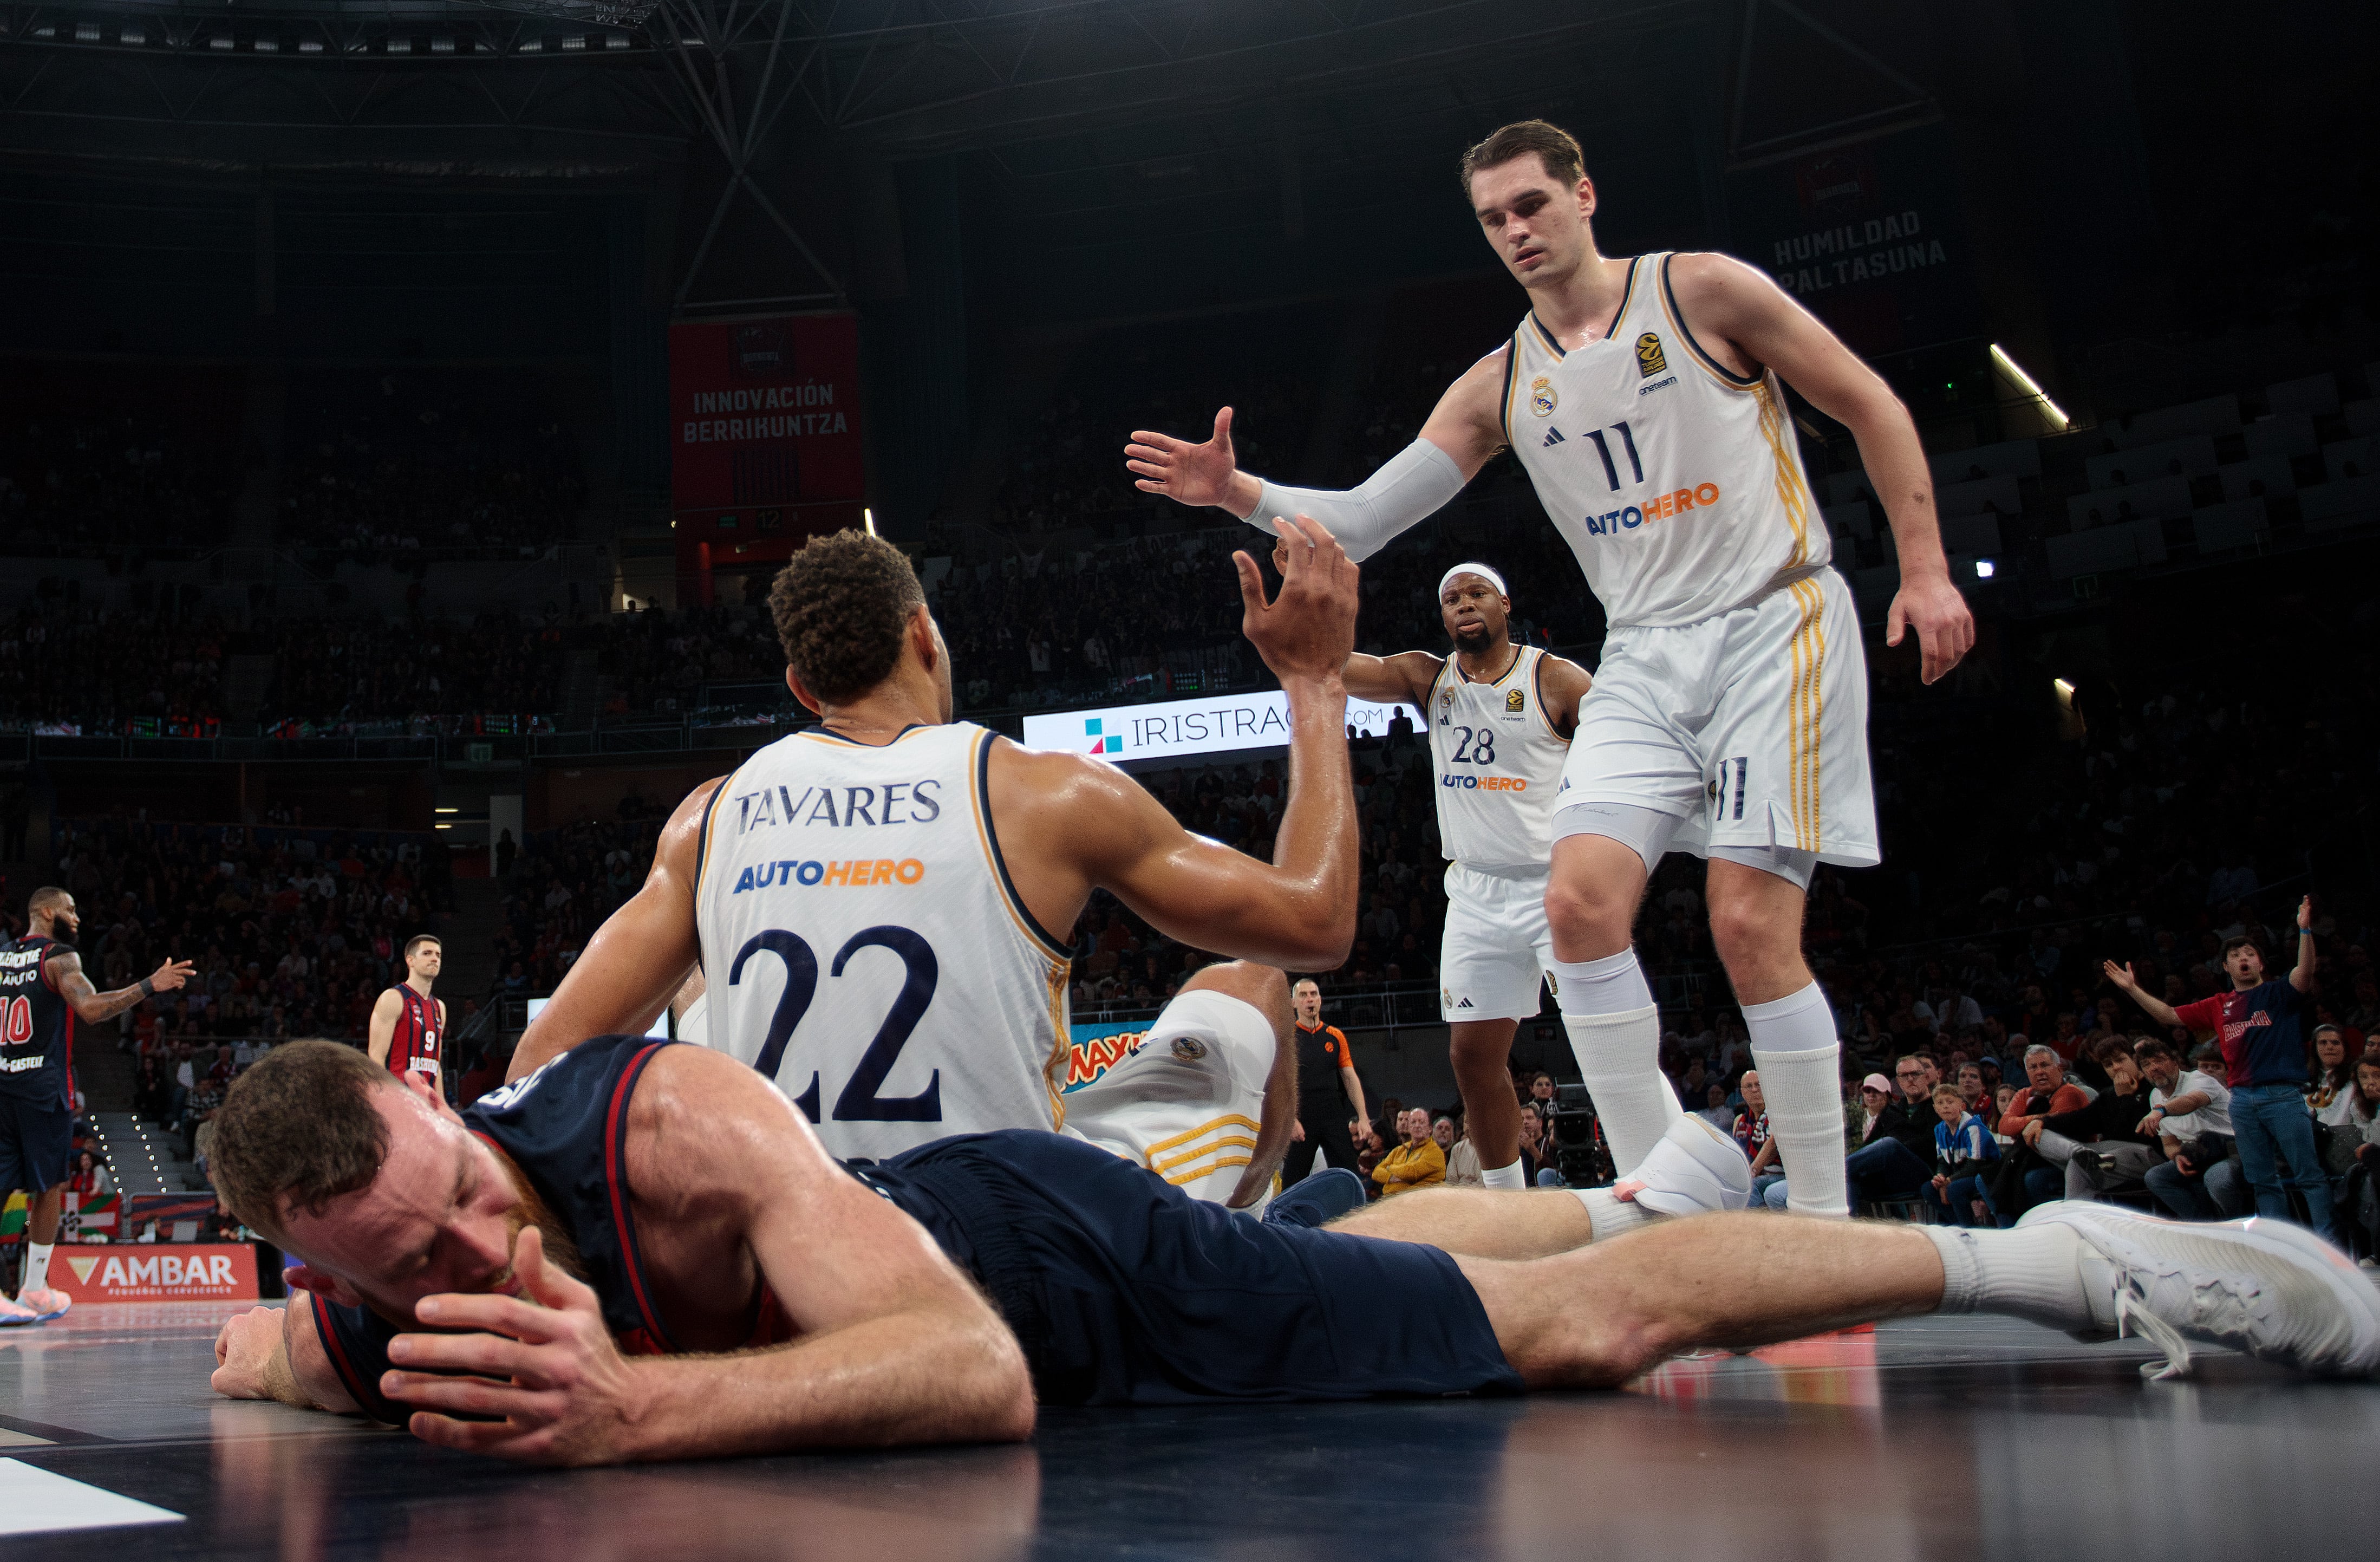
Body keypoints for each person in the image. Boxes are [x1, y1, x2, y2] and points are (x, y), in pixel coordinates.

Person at [204, 1036, 2380, 1466]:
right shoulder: (368, 1289)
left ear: (440, 1091)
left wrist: (631, 1406)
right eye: (427, 1254)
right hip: (1020, 1233)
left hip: (1045, 1276)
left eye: (473, 1179)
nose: (486, 1230)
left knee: (1572, 1340)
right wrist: (313, 1360)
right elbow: (255, 1371)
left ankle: (2075, 1263)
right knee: (1419, 1250)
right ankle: (1641, 1185)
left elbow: (971, 1380)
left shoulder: (663, 1124)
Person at [1125, 118, 1975, 1220]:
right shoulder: (1498, 384)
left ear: (1584, 195)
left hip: (1775, 622)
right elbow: (1364, 519)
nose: (1515, 230)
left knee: (1747, 926)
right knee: (1575, 909)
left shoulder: (1702, 290)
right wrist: (1237, 494)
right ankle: (1656, 1195)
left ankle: (1822, 1227)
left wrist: (1925, 570)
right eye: (1492, 219)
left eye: (1530, 204)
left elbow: (1870, 401)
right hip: (1644, 649)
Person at [508, 522, 1368, 1213]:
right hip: (1004, 1236)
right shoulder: (1046, 793)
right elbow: (1316, 923)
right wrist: (1314, 681)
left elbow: (534, 1074)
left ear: (802, 689)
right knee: (1256, 979)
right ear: (923, 634)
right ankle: (1239, 1231)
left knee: (702, 988)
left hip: (796, 1247)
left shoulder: (708, 815)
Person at [1329, 556, 1590, 1190]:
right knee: (1472, 1058)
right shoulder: (1428, 676)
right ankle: (1509, 1202)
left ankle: (1655, 1173)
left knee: (1606, 1042)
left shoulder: (1556, 678)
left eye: (1477, 593)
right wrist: (1312, 606)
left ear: (1505, 604)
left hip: (1555, 883)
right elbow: (1334, 665)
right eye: (1451, 598)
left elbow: (1628, 746)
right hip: (1473, 889)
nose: (1463, 604)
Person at [1, 887, 191, 1325]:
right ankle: (34, 1290)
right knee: (48, 1187)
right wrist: (149, 985)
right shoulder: (59, 957)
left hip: (3, 1084)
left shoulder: (2, 957)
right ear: (47, 912)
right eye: (70, 909)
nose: (77, 917)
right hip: (42, 1087)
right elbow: (89, 1009)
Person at [2107, 901, 2330, 1231]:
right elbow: (2168, 1016)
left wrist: (2305, 931)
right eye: (2237, 956)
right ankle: (2279, 1248)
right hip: (2242, 1100)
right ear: (2226, 966)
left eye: (2250, 954)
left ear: (2260, 963)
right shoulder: (2218, 1005)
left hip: (2283, 1095)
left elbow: (2305, 972)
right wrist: (2132, 989)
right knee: (2262, 1180)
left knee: (2309, 1175)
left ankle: (2330, 1247)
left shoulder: (2278, 993)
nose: (2244, 959)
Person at [2022, 1041, 2157, 1201]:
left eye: (2120, 1060)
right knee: (2041, 1135)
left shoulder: (2152, 1089)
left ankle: (2074, 1218)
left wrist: (2126, 1098)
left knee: (2078, 1166)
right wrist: (2043, 1121)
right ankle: (2079, 1153)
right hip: (2106, 1157)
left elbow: (2130, 1134)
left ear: (2135, 1060)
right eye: (2108, 1065)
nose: (2115, 1068)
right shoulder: (2108, 1095)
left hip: (2143, 1154)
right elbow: (2080, 1120)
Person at [2134, 1036, 2247, 1222]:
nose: (2154, 1068)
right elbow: (2170, 1144)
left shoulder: (2199, 1080)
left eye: (2159, 1061)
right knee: (2156, 1177)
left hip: (2233, 1150)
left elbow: (2191, 1102)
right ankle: (2204, 1226)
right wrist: (2179, 1157)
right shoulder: (2155, 1096)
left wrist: (2160, 1112)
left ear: (2175, 1062)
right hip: (2199, 1155)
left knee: (2215, 1179)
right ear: (2144, 1073)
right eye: (2147, 1065)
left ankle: (2237, 1228)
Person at [1281, 978, 1368, 1188]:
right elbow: (1280, 1082)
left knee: (1348, 1174)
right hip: (1302, 1115)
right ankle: (1286, 1221)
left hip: (1333, 1113)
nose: (1309, 999)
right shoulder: (1287, 1037)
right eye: (1303, 995)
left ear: (1320, 1000)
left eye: (1313, 994)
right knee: (1294, 1180)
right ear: (1293, 1003)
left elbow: (1350, 1078)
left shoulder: (1335, 1036)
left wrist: (1364, 1117)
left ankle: (1355, 1217)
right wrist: (1290, 1119)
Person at [367, 935, 446, 1091]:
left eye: (438, 955)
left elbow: (436, 1066)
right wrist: (389, 1098)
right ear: (411, 961)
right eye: (427, 953)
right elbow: (376, 1057)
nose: (434, 959)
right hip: (400, 1098)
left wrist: (441, 1107)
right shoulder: (393, 998)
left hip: (426, 1105)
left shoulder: (439, 1007)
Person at [1924, 1084, 1996, 1228]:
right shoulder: (1939, 1129)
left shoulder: (1973, 1127)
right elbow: (1943, 1161)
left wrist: (1949, 1180)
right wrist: (1940, 1176)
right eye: (1940, 1103)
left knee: (1954, 1188)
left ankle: (1968, 1228)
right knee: (1928, 1189)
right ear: (1935, 1109)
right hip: (1960, 1175)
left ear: (1962, 1106)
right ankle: (1955, 1225)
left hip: (1984, 1173)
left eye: (1950, 1102)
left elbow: (1975, 1165)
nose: (1945, 1107)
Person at [1372, 1108, 1448, 1199]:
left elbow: (1411, 1172)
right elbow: (1376, 1172)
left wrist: (1389, 1168)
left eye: (1421, 1122)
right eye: (1413, 1122)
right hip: (1393, 1200)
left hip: (1420, 1202)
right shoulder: (1399, 1150)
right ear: (1409, 1128)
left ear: (1430, 1129)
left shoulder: (1435, 1152)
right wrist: (1390, 1177)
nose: (1417, 1126)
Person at [1733, 1070, 1782, 1209]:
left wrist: (1752, 1172)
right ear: (1743, 1093)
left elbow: (1773, 1145)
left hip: (1779, 1175)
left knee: (1748, 1187)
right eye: (1749, 1086)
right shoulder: (1739, 1121)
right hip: (1755, 1176)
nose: (1755, 1090)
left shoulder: (1776, 1115)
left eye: (1759, 1085)